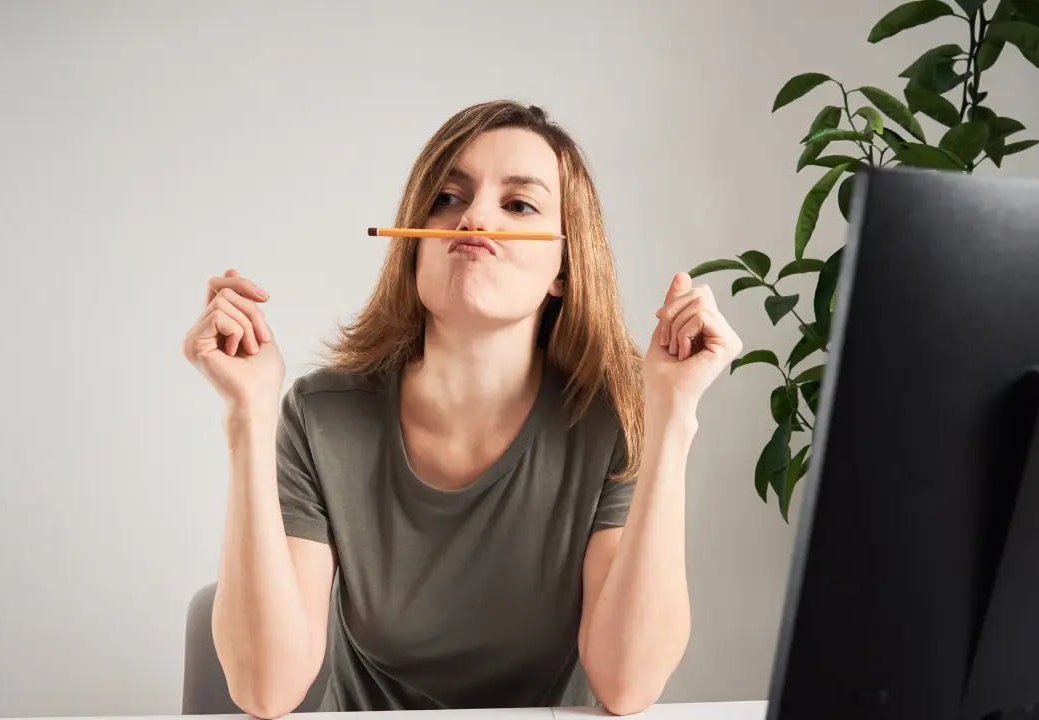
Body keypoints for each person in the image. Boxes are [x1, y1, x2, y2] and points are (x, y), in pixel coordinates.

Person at [181, 100, 742, 718]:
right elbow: (266, 690)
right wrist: (247, 415)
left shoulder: (609, 423)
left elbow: (627, 684)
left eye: (519, 204)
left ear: (564, 265)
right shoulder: (322, 417)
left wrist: (672, 417)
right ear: (414, 245)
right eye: (447, 198)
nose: (473, 218)